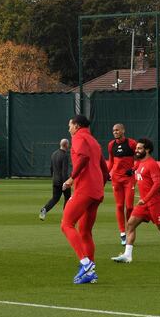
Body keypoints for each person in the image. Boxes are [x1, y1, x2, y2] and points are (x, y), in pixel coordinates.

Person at [111, 138, 160, 264]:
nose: (136, 150)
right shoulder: (140, 162)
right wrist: (131, 170)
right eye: (136, 148)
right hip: (143, 204)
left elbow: (157, 184)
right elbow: (136, 167)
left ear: (147, 150)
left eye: (139, 148)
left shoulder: (152, 164)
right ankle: (127, 255)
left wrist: (145, 199)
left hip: (155, 203)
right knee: (130, 224)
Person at [61, 115, 107, 285]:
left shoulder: (79, 137)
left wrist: (72, 178)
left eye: (70, 125)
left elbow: (84, 157)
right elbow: (105, 169)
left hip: (85, 189)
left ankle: (86, 264)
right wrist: (99, 185)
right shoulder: (94, 141)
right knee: (85, 232)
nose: (69, 129)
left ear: (77, 126)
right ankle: (91, 272)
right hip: (96, 192)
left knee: (66, 224)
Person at [107, 123, 137, 245]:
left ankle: (130, 228)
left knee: (129, 207)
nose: (115, 132)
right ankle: (123, 233)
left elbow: (140, 158)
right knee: (119, 206)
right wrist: (106, 174)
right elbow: (111, 162)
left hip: (129, 179)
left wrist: (134, 169)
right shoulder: (111, 145)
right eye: (114, 130)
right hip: (116, 180)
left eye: (117, 130)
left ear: (123, 130)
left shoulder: (131, 143)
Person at [39, 139, 71, 220]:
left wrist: (53, 177)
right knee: (67, 198)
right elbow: (64, 171)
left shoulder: (54, 154)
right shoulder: (65, 156)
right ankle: (65, 217)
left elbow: (51, 168)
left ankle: (45, 209)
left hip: (55, 180)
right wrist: (65, 183)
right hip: (63, 181)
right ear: (66, 145)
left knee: (55, 198)